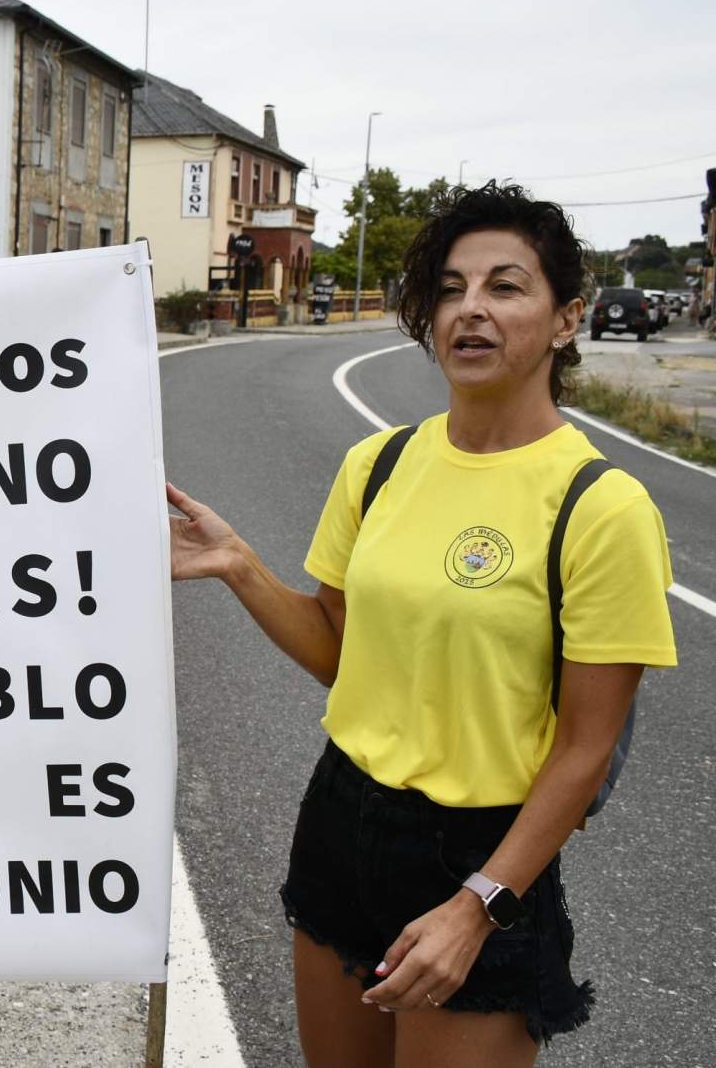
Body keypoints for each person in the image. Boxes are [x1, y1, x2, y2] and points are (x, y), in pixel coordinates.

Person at [167, 183, 676, 1067]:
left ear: (566, 320)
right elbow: (340, 655)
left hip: (477, 853)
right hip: (340, 815)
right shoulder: (381, 462)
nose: (469, 309)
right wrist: (239, 566)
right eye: (449, 288)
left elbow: (585, 749)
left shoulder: (604, 506)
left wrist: (480, 904)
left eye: (505, 286)